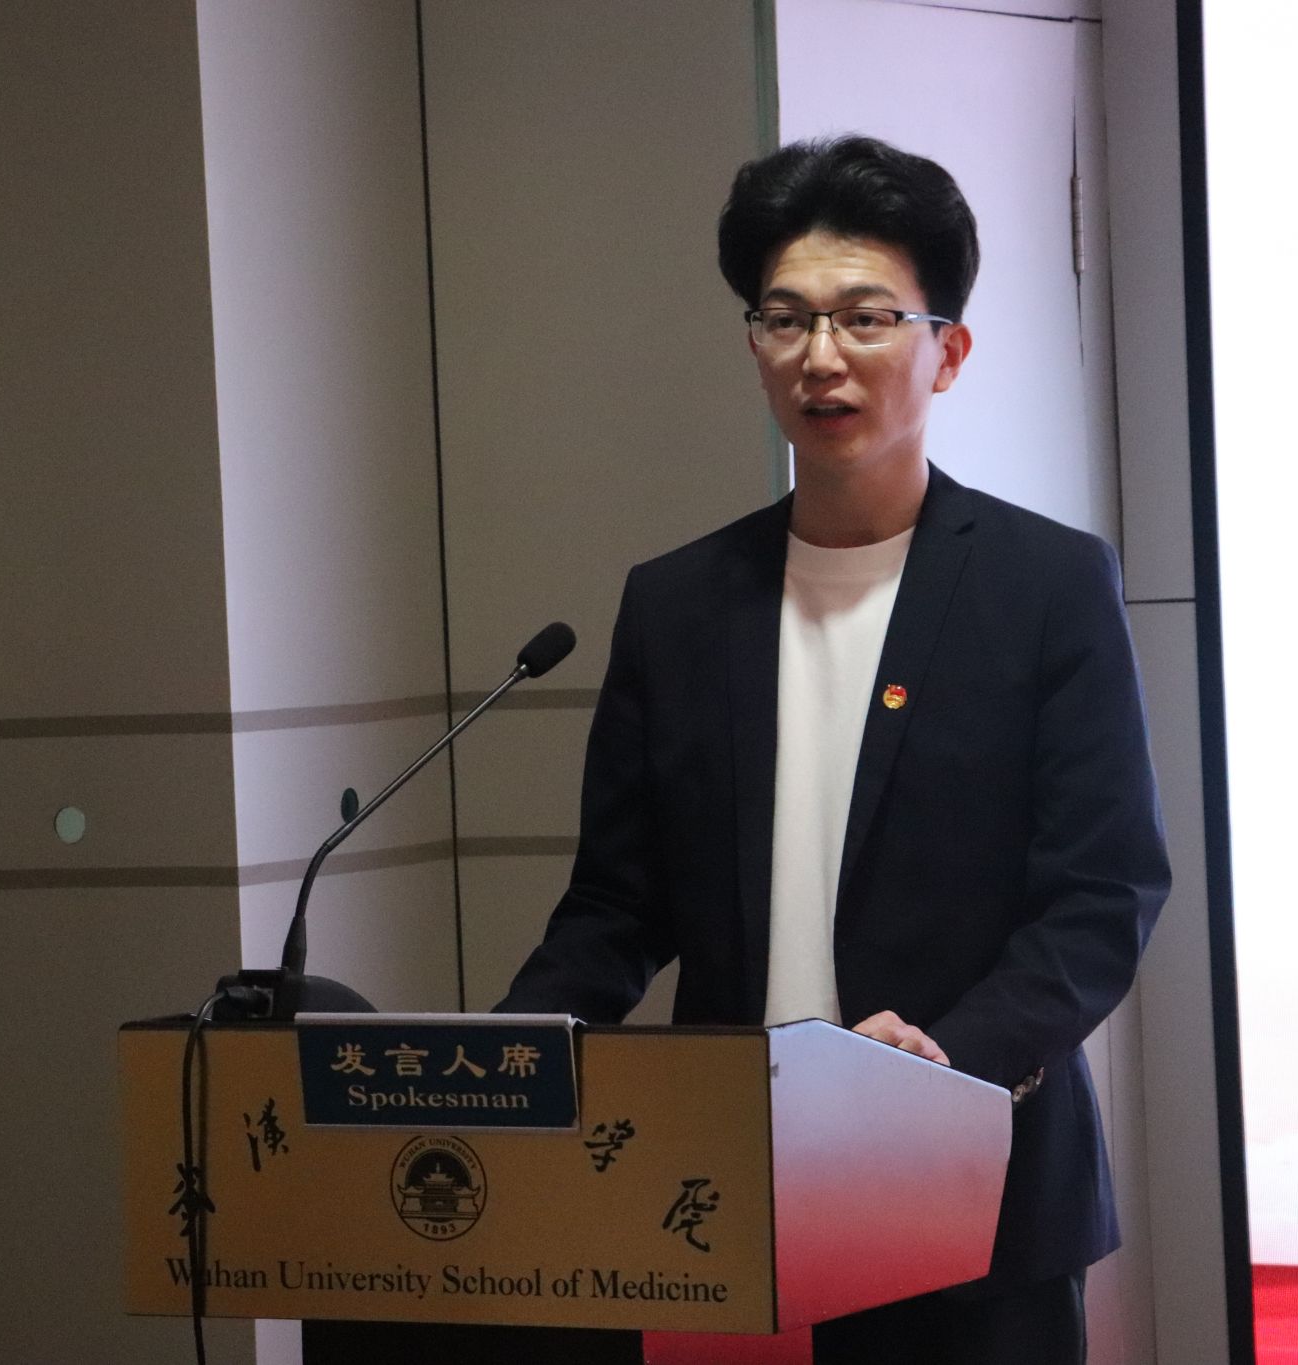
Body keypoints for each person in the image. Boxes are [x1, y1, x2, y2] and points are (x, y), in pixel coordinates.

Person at [496, 135, 1169, 1364]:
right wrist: (503, 1059)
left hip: (971, 1196)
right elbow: (616, 905)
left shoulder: (1044, 587)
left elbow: (1101, 893)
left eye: (865, 319)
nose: (819, 356)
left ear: (945, 351)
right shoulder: (677, 604)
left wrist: (948, 1059)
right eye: (784, 319)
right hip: (721, 1198)